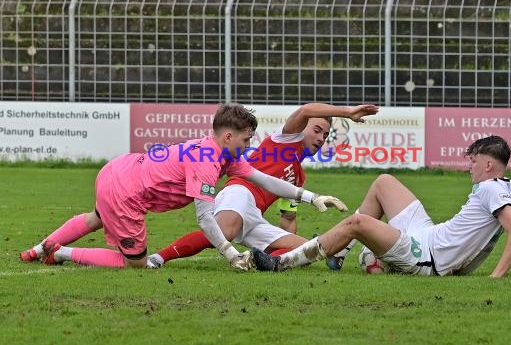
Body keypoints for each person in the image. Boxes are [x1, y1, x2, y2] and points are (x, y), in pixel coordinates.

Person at [19, 103, 348, 270]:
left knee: (94, 218)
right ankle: (61, 252)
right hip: (126, 193)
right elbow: (205, 219)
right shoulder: (207, 162)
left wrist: (311, 197)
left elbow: (262, 178)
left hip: (117, 169)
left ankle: (37, 249)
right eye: (246, 138)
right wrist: (231, 254)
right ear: (228, 136)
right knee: (136, 265)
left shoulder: (221, 153)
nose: (250, 144)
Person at [252, 135, 511, 278]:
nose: (470, 168)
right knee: (384, 181)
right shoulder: (509, 187)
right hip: (428, 233)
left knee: (357, 224)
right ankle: (338, 253)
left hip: (427, 255)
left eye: (473, 162)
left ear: (489, 165)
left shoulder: (491, 188)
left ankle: (282, 262)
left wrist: (495, 278)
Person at [146, 103, 379, 268]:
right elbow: (307, 110)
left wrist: (292, 253)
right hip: (239, 192)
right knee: (224, 230)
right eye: (317, 130)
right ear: (302, 128)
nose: (320, 138)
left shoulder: (299, 176)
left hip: (255, 217)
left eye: (325, 135)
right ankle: (158, 258)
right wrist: (347, 112)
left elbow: (288, 219)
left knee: (305, 251)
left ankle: (255, 261)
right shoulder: (286, 139)